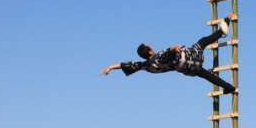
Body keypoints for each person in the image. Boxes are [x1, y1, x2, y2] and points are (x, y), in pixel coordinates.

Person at [101, 19, 236, 94]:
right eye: (150, 46)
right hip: (189, 57)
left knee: (207, 75)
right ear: (149, 51)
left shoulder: (146, 66)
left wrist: (110, 67)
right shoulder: (158, 56)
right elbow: (166, 53)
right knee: (201, 42)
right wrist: (174, 48)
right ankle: (223, 29)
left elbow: (127, 65)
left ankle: (229, 87)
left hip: (188, 69)